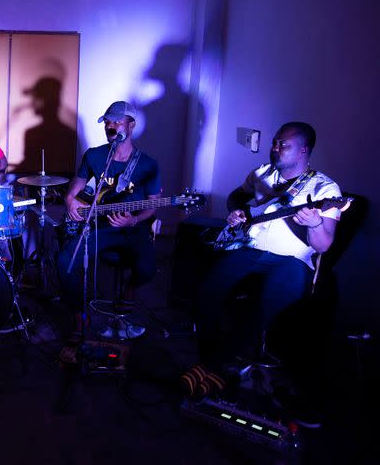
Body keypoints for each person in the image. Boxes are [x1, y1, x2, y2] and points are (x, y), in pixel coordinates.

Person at [185, 122, 341, 417]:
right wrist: (236, 213)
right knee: (207, 289)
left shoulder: (324, 188)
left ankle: (213, 366)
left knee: (261, 306)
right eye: (275, 143)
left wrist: (315, 223)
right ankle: (211, 357)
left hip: (291, 262)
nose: (276, 149)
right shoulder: (260, 173)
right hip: (250, 249)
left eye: (284, 145)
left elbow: (323, 246)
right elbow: (236, 196)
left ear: (304, 150)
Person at [57, 101, 161, 340]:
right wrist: (71, 200)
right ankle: (80, 314)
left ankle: (129, 288)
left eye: (117, 121)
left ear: (131, 125)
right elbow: (75, 189)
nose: (111, 126)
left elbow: (153, 205)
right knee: (65, 261)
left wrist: (133, 221)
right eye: (107, 122)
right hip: (100, 227)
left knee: (147, 269)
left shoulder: (148, 164)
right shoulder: (95, 156)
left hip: (133, 228)